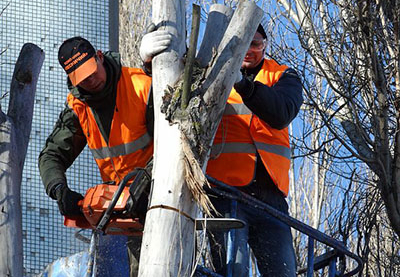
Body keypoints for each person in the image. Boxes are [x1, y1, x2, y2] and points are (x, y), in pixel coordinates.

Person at [140, 24, 303, 276]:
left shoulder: (283, 76)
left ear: (265, 45)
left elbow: (280, 113)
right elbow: (168, 102)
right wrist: (150, 64)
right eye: (243, 45)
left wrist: (243, 85)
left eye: (256, 44)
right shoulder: (209, 76)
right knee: (232, 270)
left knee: (283, 271)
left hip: (271, 196)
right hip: (225, 193)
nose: (249, 51)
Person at [38, 36, 169, 276]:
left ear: (99, 56)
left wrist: (146, 181)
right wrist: (59, 190)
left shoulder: (142, 86)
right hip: (118, 209)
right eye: (81, 77)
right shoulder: (78, 106)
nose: (90, 80)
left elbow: (171, 144)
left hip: (160, 195)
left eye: (91, 70)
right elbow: (51, 155)